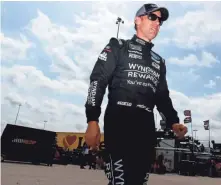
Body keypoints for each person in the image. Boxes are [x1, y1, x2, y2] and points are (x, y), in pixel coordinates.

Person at [84, 3, 187, 185]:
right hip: (119, 123)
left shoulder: (159, 61)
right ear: (137, 20)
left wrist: (173, 121)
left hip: (146, 129)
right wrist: (92, 119)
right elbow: (97, 81)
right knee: (120, 182)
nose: (157, 23)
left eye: (160, 21)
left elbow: (162, 96)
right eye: (152, 17)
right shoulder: (118, 46)